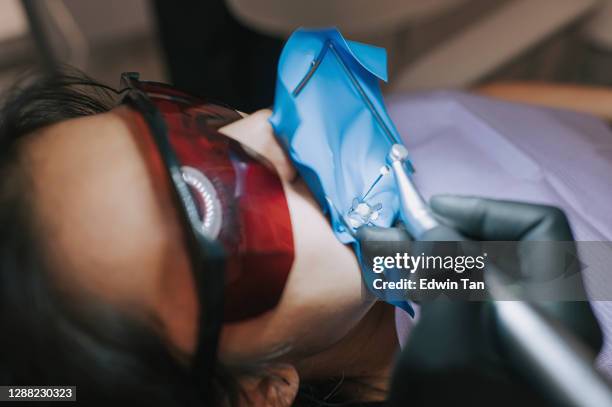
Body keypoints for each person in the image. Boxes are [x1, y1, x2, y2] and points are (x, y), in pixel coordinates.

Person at [0, 67, 601, 406]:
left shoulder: (389, 153)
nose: (262, 128)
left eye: (187, 121)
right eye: (207, 205)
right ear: (252, 389)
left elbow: (490, 105)